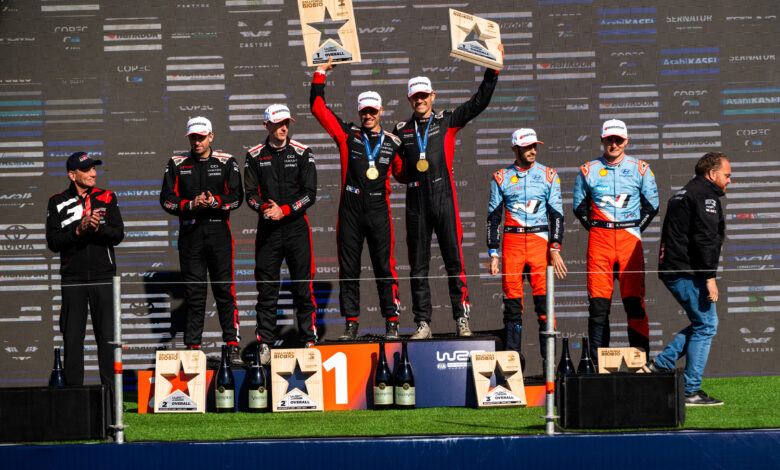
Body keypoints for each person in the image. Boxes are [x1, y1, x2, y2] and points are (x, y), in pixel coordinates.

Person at [394, 45, 504, 339]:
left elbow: (478, 103)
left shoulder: (446, 120)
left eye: (424, 95)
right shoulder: (401, 129)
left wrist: (491, 72)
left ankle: (462, 319)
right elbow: (398, 170)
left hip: (444, 196)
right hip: (416, 201)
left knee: (454, 261)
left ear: (433, 96)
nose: (420, 100)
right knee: (418, 266)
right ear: (409, 99)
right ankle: (423, 323)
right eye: (415, 96)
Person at [310, 58, 405, 341]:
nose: (368, 116)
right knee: (349, 267)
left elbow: (403, 173)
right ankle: (351, 323)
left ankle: (391, 321)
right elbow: (318, 108)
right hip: (350, 207)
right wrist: (320, 73)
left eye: (372, 111)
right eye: (364, 111)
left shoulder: (393, 142)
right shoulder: (347, 135)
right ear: (359, 112)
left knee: (384, 266)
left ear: (380, 111)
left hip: (378, 208)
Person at [640, 152, 731, 406]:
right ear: (712, 174)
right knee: (706, 325)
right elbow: (705, 239)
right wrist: (709, 276)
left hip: (675, 269)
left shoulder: (685, 192)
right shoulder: (704, 196)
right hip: (687, 271)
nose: (729, 180)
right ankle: (690, 390)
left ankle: (660, 365)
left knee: (702, 323)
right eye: (727, 175)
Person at [572, 119, 659, 361]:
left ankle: (640, 362)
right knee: (598, 307)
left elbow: (652, 206)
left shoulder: (641, 169)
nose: (614, 144)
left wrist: (634, 229)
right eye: (609, 139)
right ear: (602, 140)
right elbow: (579, 207)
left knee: (634, 304)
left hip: (630, 241)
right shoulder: (588, 170)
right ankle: (599, 365)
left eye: (618, 140)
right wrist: (598, 228)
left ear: (626, 141)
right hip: (600, 242)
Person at [160, 116, 244, 365]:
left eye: (201, 137)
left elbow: (237, 197)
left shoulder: (226, 161)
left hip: (219, 232)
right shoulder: (177, 163)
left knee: (224, 290)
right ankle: (192, 347)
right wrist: (190, 204)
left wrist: (216, 202)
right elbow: (166, 199)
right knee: (195, 294)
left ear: (211, 136)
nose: (197, 142)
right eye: (193, 138)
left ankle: (232, 345)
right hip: (190, 234)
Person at [46, 151, 124, 395]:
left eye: (94, 168)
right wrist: (78, 230)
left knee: (108, 340)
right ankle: (73, 398)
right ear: (72, 175)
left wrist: (97, 227)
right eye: (87, 169)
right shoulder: (56, 201)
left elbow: (118, 234)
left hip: (104, 277)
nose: (93, 173)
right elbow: (53, 242)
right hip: (73, 278)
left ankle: (112, 399)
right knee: (72, 339)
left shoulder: (107, 197)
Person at [244, 104, 317, 365]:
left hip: (296, 227)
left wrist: (284, 210)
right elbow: (249, 194)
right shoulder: (254, 155)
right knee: (267, 290)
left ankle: (309, 339)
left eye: (286, 122)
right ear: (267, 125)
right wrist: (266, 208)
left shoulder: (302, 152)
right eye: (278, 123)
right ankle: (264, 343)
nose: (283, 127)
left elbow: (310, 194)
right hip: (268, 229)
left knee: (302, 287)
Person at [487, 129, 567, 360]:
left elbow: (557, 215)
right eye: (527, 147)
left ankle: (550, 368)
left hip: (539, 242)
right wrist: (493, 253)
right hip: (512, 244)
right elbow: (493, 218)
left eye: (534, 146)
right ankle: (513, 365)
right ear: (515, 149)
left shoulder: (549, 175)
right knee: (512, 307)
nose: (532, 151)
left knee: (545, 306)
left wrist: (555, 247)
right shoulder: (500, 177)